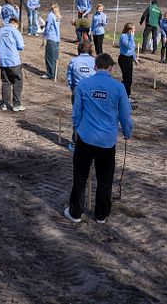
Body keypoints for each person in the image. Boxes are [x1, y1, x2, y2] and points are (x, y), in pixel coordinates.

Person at [64, 53, 132, 224]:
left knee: (80, 177)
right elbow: (125, 115)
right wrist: (127, 132)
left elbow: (76, 112)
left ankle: (75, 213)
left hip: (85, 138)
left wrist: (78, 129)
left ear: (95, 67)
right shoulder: (118, 87)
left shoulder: (84, 85)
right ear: (111, 68)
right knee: (105, 179)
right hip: (107, 142)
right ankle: (101, 215)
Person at [0, 17, 25, 111]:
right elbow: (21, 46)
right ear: (15, 24)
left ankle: (5, 104)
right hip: (14, 61)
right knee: (18, 81)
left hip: (3, 61)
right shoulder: (15, 32)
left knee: (6, 82)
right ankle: (16, 104)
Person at [67, 41, 96, 108]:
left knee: (77, 114)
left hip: (78, 90)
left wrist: (73, 88)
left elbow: (70, 77)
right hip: (91, 91)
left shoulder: (74, 61)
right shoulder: (94, 61)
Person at [118, 23, 138, 98]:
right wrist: (132, 37)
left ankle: (126, 95)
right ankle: (125, 96)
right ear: (129, 30)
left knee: (129, 79)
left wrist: (135, 59)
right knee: (127, 79)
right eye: (133, 29)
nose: (135, 30)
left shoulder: (130, 36)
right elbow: (129, 46)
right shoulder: (124, 36)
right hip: (124, 59)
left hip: (129, 59)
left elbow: (132, 49)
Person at [42, 3, 61, 79]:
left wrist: (44, 35)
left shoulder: (51, 15)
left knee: (49, 57)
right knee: (55, 57)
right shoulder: (58, 16)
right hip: (57, 39)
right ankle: (54, 73)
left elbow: (47, 27)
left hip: (51, 38)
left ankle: (50, 74)